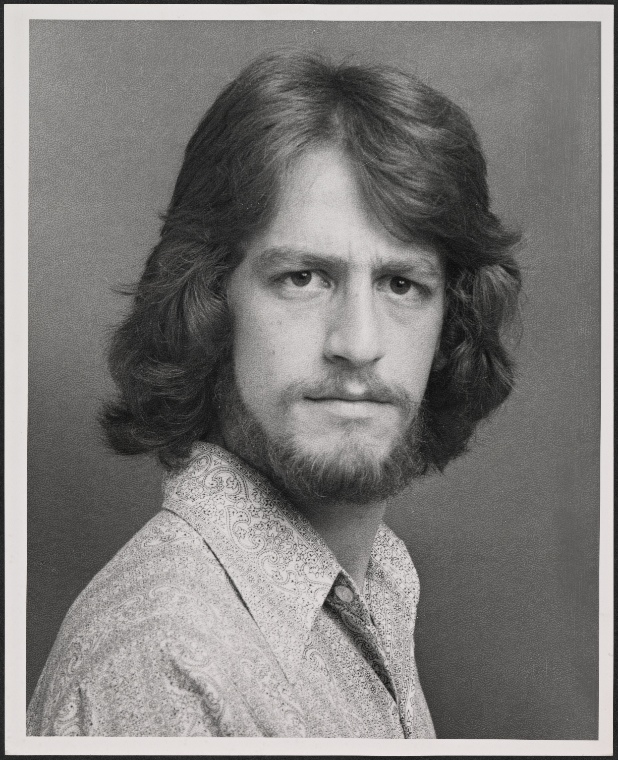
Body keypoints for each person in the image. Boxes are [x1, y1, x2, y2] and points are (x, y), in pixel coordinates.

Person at [27, 51, 521, 738]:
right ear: (208, 302)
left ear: (451, 320)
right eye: (302, 278)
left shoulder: (378, 583)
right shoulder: (163, 663)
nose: (358, 341)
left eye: (401, 284)